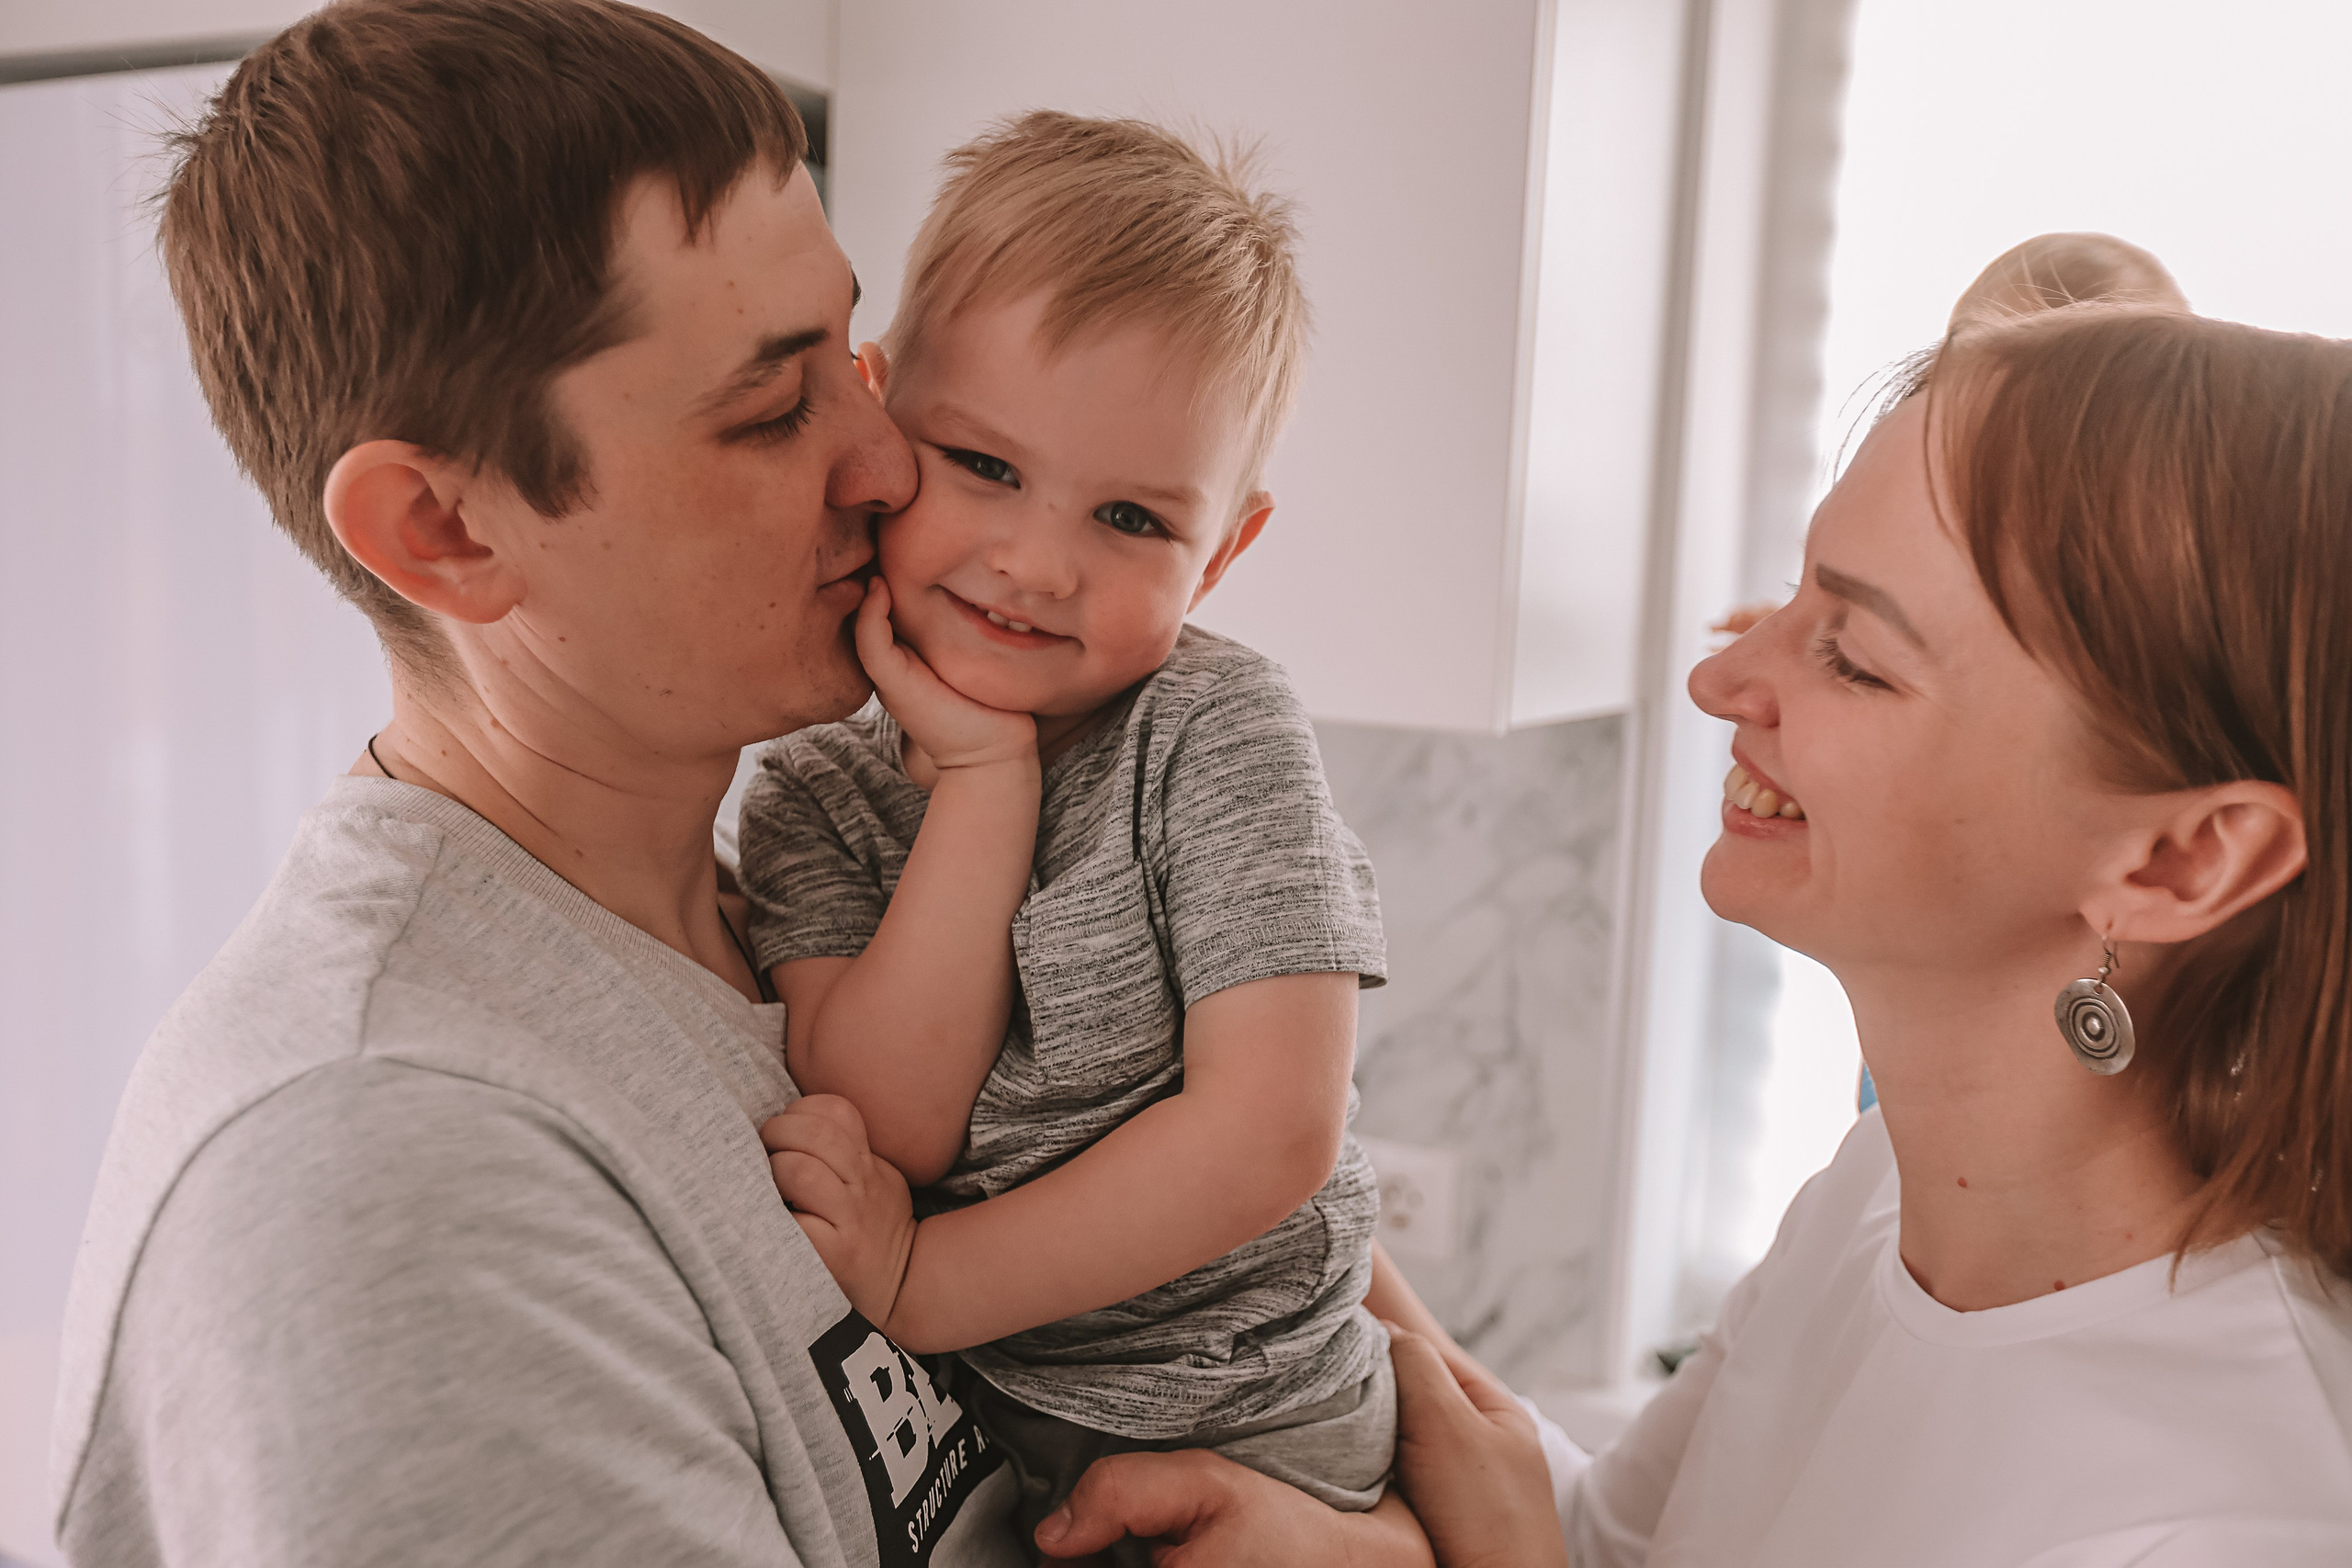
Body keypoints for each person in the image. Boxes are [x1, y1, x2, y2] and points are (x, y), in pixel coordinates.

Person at [1044, 306, 2352, 1563]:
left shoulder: (2225, 1522)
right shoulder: (1880, 1191)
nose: (1723, 680)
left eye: (1853, 656)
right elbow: (1616, 1542)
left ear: (2181, 859)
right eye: (1792, 596)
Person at [50, 2, 1029, 1562]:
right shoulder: (384, 1180)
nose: (889, 459)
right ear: (443, 531)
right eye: (773, 410)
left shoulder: (839, 883)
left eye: (857, 353)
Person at [733, 113, 1397, 1554]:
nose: (1038, 561)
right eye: (981, 465)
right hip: (989, 1429)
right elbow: (887, 1119)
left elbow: (1274, 1128)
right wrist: (983, 786)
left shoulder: (1215, 731)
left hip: (1256, 1418)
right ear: (877, 406)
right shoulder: (806, 788)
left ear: (1221, 552)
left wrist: (924, 1283)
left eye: (1128, 517)